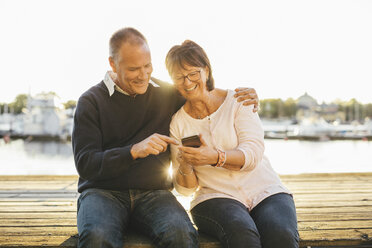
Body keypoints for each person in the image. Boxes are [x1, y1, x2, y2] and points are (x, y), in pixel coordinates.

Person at [72, 27, 259, 248]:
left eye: (147, 66)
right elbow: (86, 164)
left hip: (154, 193)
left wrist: (242, 97)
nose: (143, 75)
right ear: (113, 64)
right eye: (134, 69)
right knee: (97, 238)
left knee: (181, 234)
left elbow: (201, 91)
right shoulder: (90, 102)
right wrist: (133, 151)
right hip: (103, 193)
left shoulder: (167, 93)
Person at [166, 40, 299, 248]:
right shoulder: (178, 123)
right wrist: (185, 165)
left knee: (280, 235)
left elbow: (253, 154)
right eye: (179, 77)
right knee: (242, 234)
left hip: (265, 190)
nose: (187, 81)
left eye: (193, 73)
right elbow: (185, 190)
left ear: (206, 71)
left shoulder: (239, 101)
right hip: (214, 196)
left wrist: (216, 157)